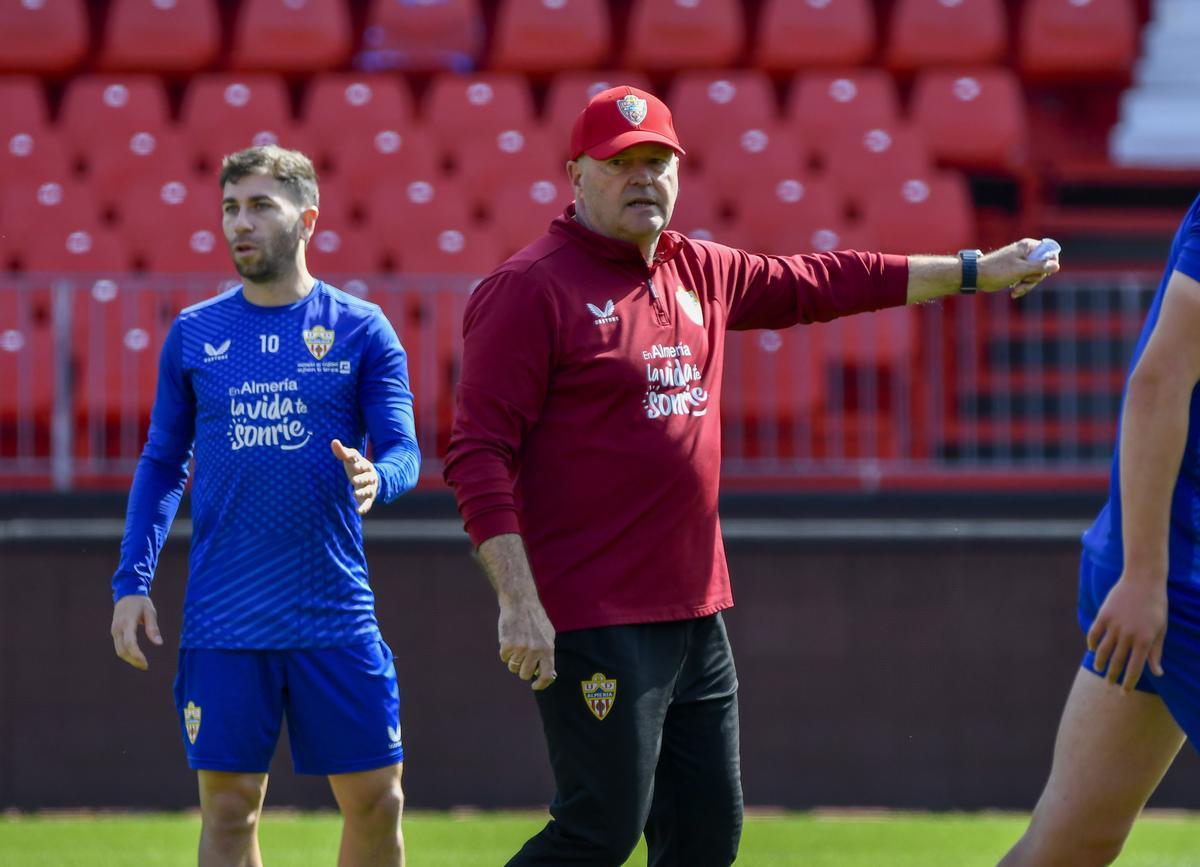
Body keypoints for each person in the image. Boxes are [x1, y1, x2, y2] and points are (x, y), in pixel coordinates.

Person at [442, 85, 1060, 866]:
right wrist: (518, 601)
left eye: (657, 161)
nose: (642, 177)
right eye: (620, 163)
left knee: (705, 840)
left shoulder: (700, 269)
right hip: (592, 614)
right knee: (598, 829)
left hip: (698, 613)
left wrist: (977, 270)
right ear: (576, 175)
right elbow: (476, 453)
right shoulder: (529, 288)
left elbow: (833, 280)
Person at [109, 145, 420, 867]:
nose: (238, 223)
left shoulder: (362, 329)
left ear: (307, 219)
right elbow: (161, 464)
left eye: (259, 206)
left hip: (333, 610)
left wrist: (380, 476)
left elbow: (404, 447)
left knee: (379, 799)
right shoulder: (194, 333)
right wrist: (132, 582)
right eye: (229, 207)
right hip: (226, 615)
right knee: (228, 807)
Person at [998, 197, 1200, 866]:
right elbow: (1160, 380)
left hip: (1165, 573)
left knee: (1070, 843)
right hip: (1179, 578)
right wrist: (1144, 578)